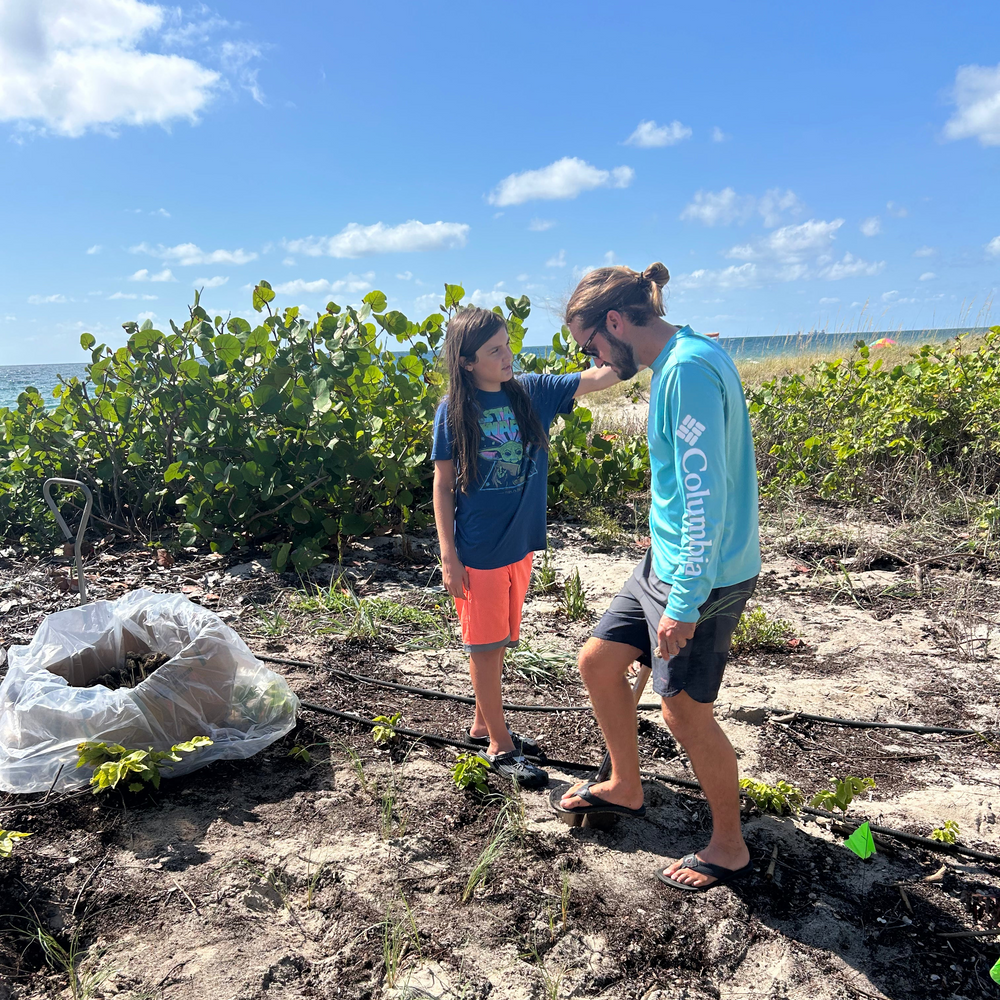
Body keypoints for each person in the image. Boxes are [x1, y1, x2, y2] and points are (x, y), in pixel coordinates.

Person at [557, 263, 761, 892]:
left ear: (615, 322)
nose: (592, 356)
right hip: (666, 564)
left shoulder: (688, 373)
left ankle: (729, 848)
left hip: (701, 578)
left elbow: (704, 497)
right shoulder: (687, 356)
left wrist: (684, 603)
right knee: (598, 660)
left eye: (588, 342)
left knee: (684, 714)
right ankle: (625, 784)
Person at [432, 306, 620, 788]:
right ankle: (499, 744)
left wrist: (626, 331)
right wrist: (448, 555)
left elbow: (602, 376)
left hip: (520, 545)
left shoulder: (531, 392)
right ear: (468, 362)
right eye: (494, 350)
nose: (507, 355)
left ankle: (482, 724)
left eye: (508, 344)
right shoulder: (454, 411)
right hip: (479, 550)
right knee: (486, 646)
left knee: (500, 641)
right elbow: (444, 485)